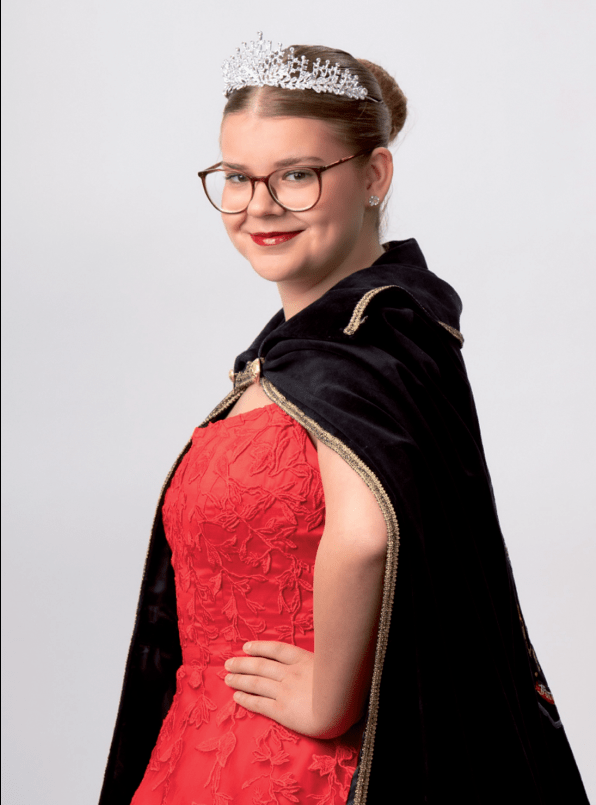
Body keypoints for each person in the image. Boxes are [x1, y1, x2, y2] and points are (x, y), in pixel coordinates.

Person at [99, 34, 588, 805]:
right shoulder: (287, 360)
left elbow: (364, 534)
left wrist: (327, 698)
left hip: (303, 771)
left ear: (374, 175)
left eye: (296, 174)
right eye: (237, 177)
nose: (259, 205)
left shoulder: (371, 343)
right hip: (199, 752)